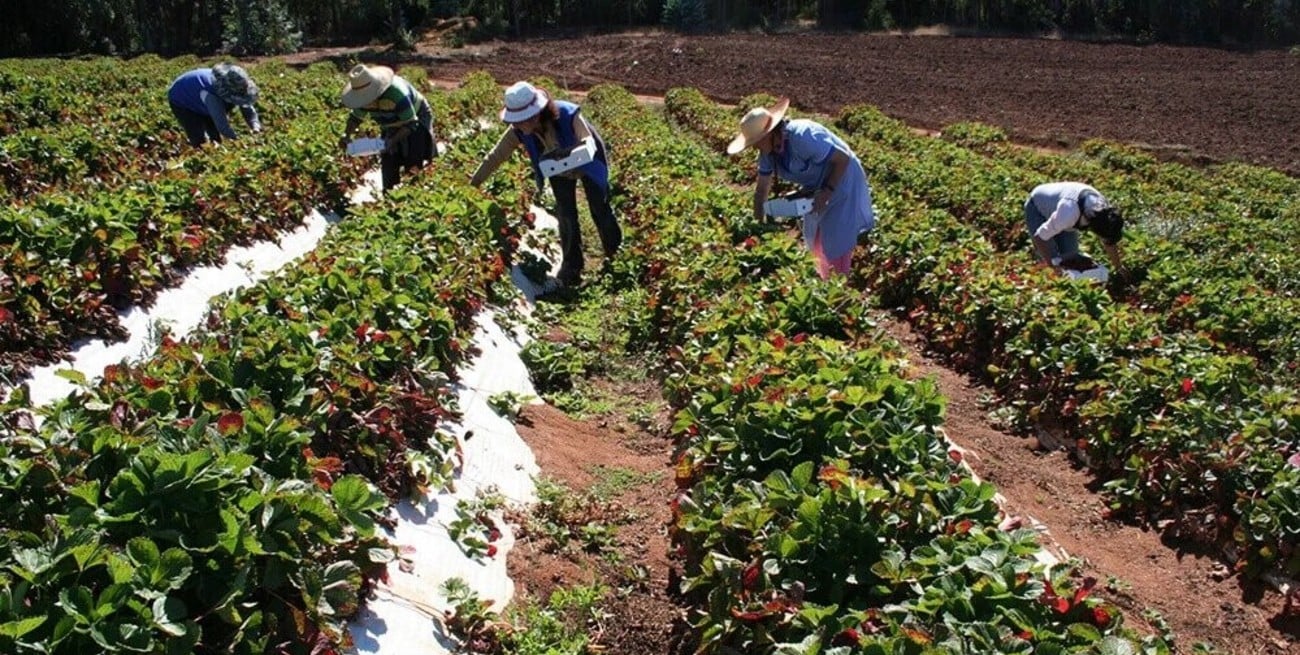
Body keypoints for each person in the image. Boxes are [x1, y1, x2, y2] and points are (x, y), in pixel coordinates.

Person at [470, 81, 622, 293]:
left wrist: (575, 152)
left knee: (600, 207)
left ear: (537, 112)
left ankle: (616, 257)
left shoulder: (567, 114)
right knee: (566, 213)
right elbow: (496, 156)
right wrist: (473, 183)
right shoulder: (518, 131)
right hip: (557, 167)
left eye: (525, 119)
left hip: (588, 160)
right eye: (518, 120)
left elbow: (587, 140)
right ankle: (571, 268)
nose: (522, 124)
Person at [727, 98, 875, 279]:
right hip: (818, 187)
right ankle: (824, 280)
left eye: (757, 142)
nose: (755, 147)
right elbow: (761, 192)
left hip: (843, 179)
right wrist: (759, 225)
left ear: (770, 134)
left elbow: (842, 159)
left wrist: (827, 191)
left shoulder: (803, 136)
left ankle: (838, 287)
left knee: (836, 238)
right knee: (816, 237)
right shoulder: (768, 154)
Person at [338, 64, 437, 192]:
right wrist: (346, 135)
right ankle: (390, 196)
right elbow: (355, 119)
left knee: (413, 157)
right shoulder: (362, 100)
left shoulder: (396, 94)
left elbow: (411, 124)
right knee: (389, 158)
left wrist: (392, 141)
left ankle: (415, 193)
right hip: (389, 121)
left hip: (416, 115)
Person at [1025, 181, 1124, 274]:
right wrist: (1051, 264)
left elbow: (1108, 240)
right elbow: (1039, 237)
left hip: (1062, 213)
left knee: (1071, 258)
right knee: (1050, 260)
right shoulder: (1068, 213)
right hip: (1038, 207)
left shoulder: (1104, 211)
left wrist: (1118, 267)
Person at [167, 63, 261, 147]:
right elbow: (222, 126)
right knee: (199, 139)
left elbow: (247, 108)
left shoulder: (237, 85)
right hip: (182, 99)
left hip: (201, 96)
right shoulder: (212, 96)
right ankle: (202, 158)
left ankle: (215, 147)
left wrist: (255, 127)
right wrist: (239, 143)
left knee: (215, 136)